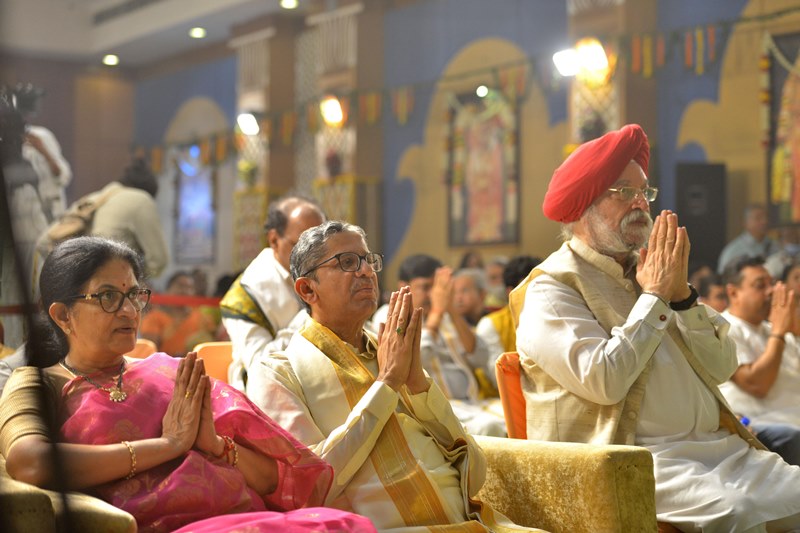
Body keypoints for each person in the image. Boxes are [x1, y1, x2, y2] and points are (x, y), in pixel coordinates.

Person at [512, 124, 800, 531]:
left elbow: (722, 367)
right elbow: (604, 381)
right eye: (623, 192)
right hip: (630, 459)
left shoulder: (651, 272)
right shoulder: (551, 288)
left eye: (644, 193)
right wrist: (655, 299)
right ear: (584, 205)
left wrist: (682, 298)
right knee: (739, 512)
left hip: (716, 450)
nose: (640, 204)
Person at [0, 236, 374, 533]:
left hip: (243, 516)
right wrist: (167, 446)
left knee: (347, 525)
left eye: (134, 295)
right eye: (109, 297)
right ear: (63, 314)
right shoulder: (37, 381)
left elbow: (275, 479)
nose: (130, 311)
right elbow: (29, 462)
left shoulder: (174, 374)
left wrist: (216, 447)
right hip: (159, 526)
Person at [246, 221, 534, 531]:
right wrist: (386, 385)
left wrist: (418, 385)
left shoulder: (389, 349)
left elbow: (474, 472)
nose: (366, 272)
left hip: (474, 523)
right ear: (307, 288)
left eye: (369, 260)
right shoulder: (277, 371)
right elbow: (309, 486)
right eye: (347, 262)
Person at [371, 255, 505, 435]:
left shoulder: (447, 315)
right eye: (425, 287)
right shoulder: (389, 315)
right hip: (431, 408)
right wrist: (436, 313)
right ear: (403, 286)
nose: (433, 295)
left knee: (521, 416)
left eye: (437, 287)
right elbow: (416, 360)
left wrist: (452, 312)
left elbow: (481, 357)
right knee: (490, 426)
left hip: (471, 402)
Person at [220, 196, 325, 391]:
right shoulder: (245, 296)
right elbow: (259, 366)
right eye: (303, 246)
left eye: (321, 246)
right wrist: (315, 312)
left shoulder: (326, 272)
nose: (315, 256)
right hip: (270, 397)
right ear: (274, 240)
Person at [719, 256, 800, 464]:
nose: (770, 291)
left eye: (771, 284)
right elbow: (757, 384)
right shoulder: (723, 328)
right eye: (759, 285)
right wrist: (780, 332)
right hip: (759, 427)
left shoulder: (774, 331)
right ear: (733, 292)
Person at [90, 158, 168, 278]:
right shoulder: (141, 199)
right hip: (109, 274)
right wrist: (138, 281)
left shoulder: (96, 198)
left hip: (77, 277)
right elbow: (159, 260)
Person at [476, 255, 540, 387]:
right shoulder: (490, 325)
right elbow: (497, 377)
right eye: (531, 287)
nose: (541, 293)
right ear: (511, 292)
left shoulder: (553, 319)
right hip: (496, 398)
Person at [12, 83, 72, 222]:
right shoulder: (7, 141)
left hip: (49, 213)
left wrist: (42, 149)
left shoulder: (42, 136)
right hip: (21, 216)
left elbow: (62, 174)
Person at [140, 271, 214, 356]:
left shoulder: (202, 317)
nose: (185, 291)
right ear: (168, 290)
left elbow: (210, 349)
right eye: (180, 286)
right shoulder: (154, 318)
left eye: (190, 288)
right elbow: (150, 351)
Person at [717, 203, 780, 273]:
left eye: (766, 217)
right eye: (758, 218)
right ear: (746, 223)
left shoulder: (775, 245)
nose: (764, 221)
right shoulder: (733, 251)